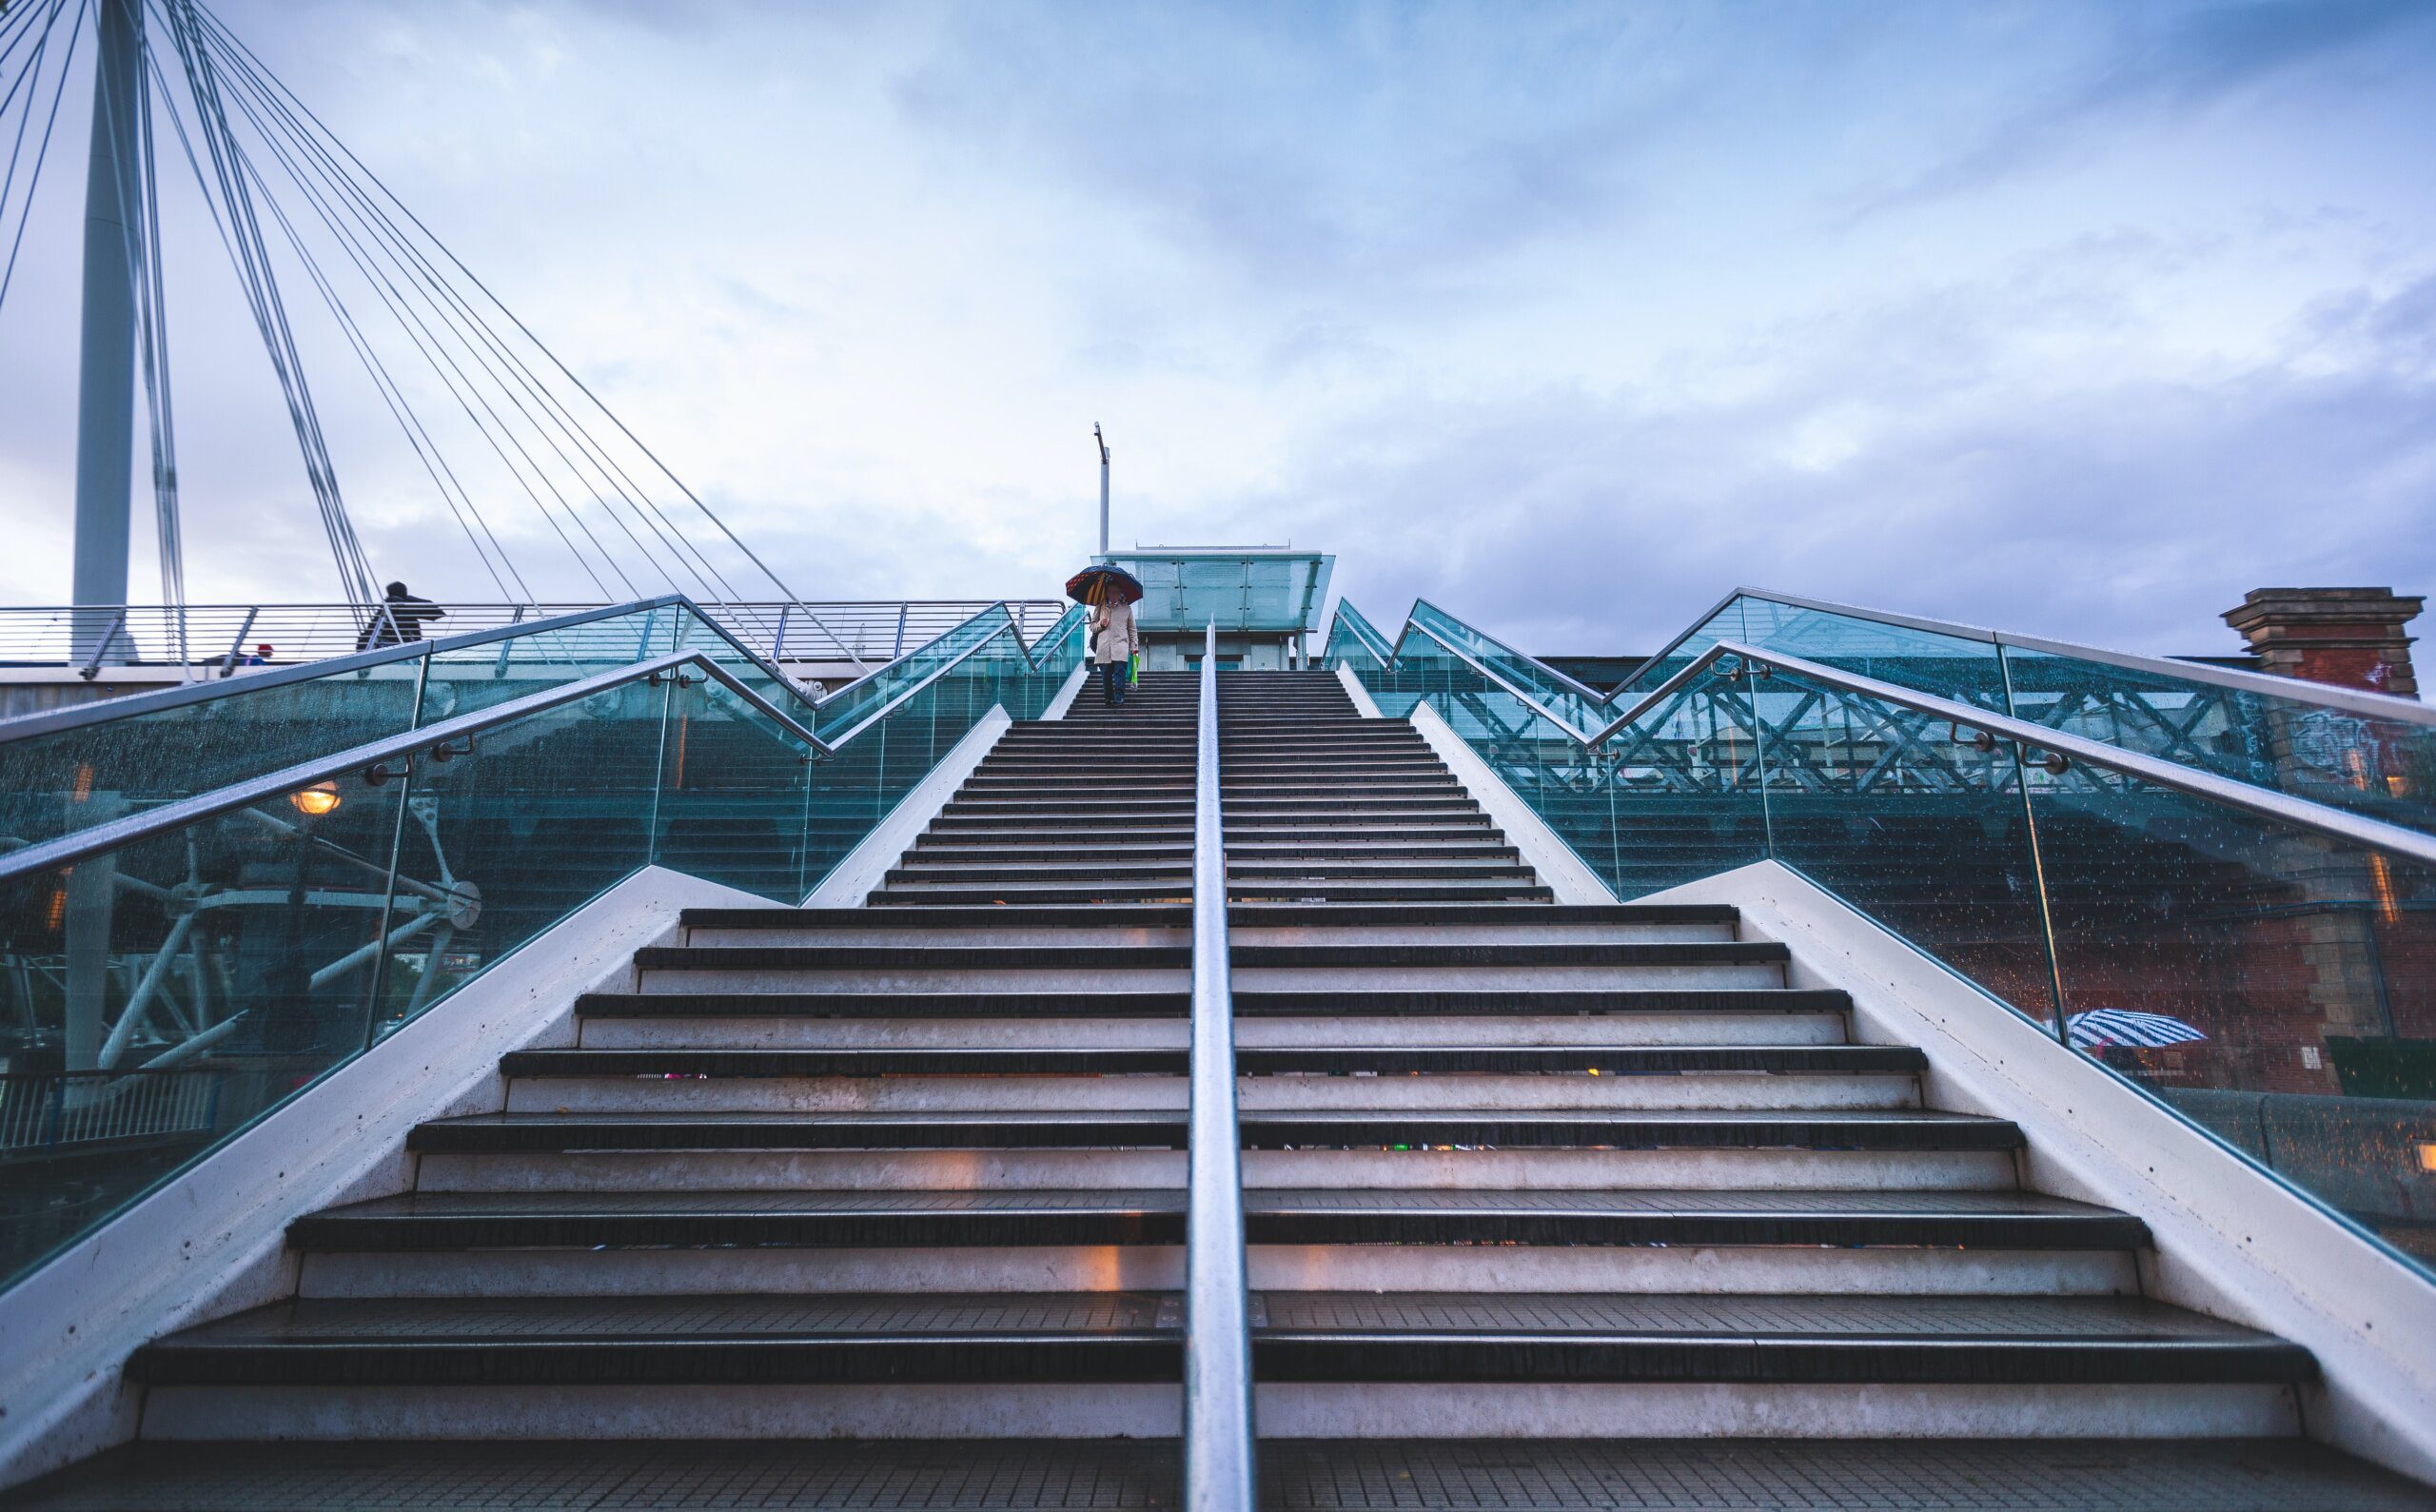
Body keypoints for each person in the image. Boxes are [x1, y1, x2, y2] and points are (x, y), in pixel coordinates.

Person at [358, 581, 446, 649]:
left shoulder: (385, 608)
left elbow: (372, 628)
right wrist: (411, 599)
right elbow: (436, 612)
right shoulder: (406, 607)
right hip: (403, 646)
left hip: (386, 644)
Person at [1090, 592, 1137, 706]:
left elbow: (1132, 630)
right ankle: (1108, 696)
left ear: (1120, 593)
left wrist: (1134, 647)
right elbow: (1092, 627)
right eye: (1111, 591)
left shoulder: (1127, 609)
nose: (1113, 594)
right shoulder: (1100, 607)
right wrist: (1100, 624)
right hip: (1104, 647)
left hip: (1121, 646)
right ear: (1107, 593)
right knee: (1106, 673)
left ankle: (1119, 696)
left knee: (1119, 672)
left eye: (1115, 591)